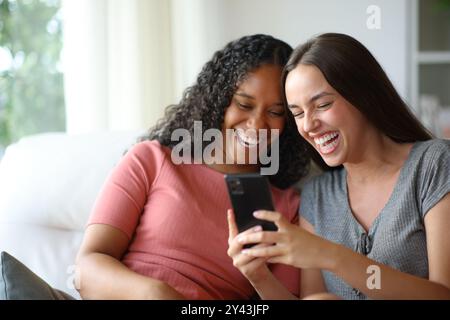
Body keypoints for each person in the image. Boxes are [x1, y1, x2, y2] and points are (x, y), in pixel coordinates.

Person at [75, 34, 311, 300]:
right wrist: (156, 294)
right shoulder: (152, 160)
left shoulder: (287, 209)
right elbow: (85, 269)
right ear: (219, 100)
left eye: (276, 112)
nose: (256, 125)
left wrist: (259, 276)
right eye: (244, 104)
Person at [229, 33, 450, 300]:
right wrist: (260, 277)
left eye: (322, 105)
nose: (308, 125)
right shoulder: (317, 195)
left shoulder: (434, 164)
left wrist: (329, 254)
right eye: (297, 113)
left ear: (363, 96)